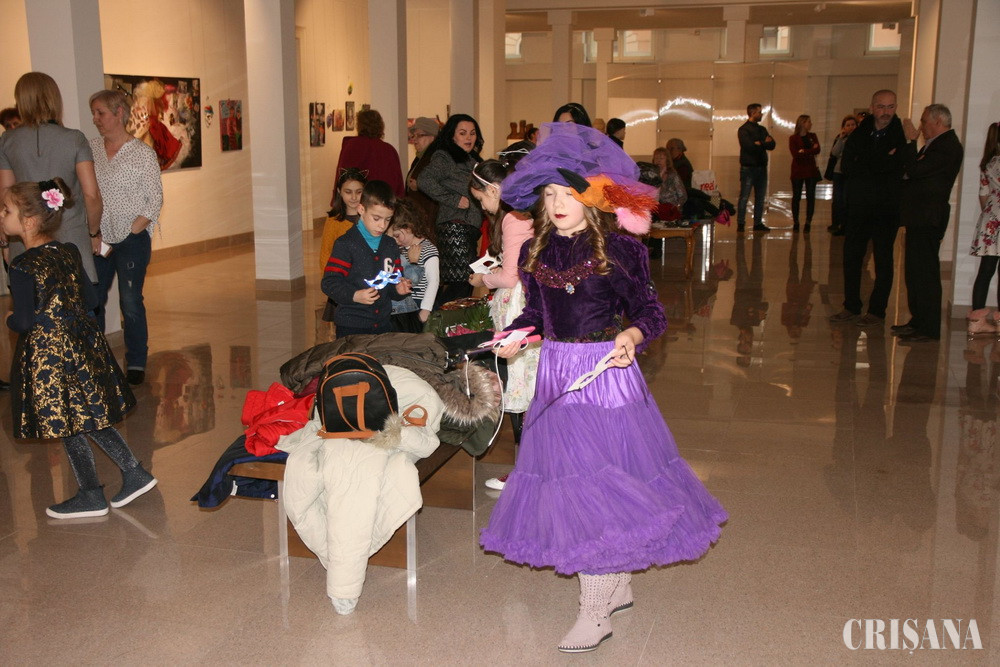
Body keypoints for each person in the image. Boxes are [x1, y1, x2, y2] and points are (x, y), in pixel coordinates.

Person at [479, 122, 727, 654]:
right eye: (549, 194)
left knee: (602, 488)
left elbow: (651, 313)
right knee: (578, 484)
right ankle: (616, 585)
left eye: (568, 193)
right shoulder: (536, 250)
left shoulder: (621, 250)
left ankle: (595, 611)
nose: (557, 203)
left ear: (591, 196)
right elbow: (536, 313)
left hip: (606, 379)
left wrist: (631, 337)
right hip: (556, 377)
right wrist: (517, 336)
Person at [2, 178, 155, 518]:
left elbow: (24, 322)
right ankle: (112, 482)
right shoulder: (69, 251)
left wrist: (9, 318)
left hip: (49, 356)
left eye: (6, 210)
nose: (1, 215)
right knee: (80, 417)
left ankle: (113, 482)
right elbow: (90, 299)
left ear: (29, 221)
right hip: (81, 346)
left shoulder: (22, 265)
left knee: (69, 419)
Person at [467, 147, 538, 491]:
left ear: (493, 190)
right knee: (530, 388)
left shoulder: (512, 218)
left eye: (481, 198)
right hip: (529, 300)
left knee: (522, 387)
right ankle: (530, 466)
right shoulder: (522, 214)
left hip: (519, 306)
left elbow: (510, 277)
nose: (482, 206)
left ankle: (525, 471)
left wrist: (483, 278)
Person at [89, 89, 164, 386]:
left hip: (132, 240)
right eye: (94, 113)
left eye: (100, 113)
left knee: (130, 300)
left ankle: (136, 361)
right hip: (99, 238)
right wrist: (92, 230)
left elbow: (154, 199)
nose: (95, 119)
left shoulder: (142, 153)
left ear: (119, 112)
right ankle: (95, 359)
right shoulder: (92, 149)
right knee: (94, 299)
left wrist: (134, 229)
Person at [0, 72, 103, 284]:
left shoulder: (7, 140)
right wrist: (93, 233)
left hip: (24, 241)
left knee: (29, 301)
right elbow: (91, 194)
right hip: (71, 240)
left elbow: (5, 193)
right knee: (76, 301)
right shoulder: (74, 139)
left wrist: (5, 241)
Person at [830, 89, 907, 327]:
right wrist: (883, 159)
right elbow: (848, 166)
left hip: (886, 208)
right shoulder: (859, 134)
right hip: (859, 206)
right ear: (872, 108)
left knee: (883, 259)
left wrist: (868, 162)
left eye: (891, 106)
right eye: (881, 107)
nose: (886, 112)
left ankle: (877, 310)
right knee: (852, 257)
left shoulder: (900, 135)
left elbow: (898, 167)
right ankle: (851, 306)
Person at [892, 104, 964, 342]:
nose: (921, 126)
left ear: (938, 122)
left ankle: (929, 328)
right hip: (918, 215)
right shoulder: (935, 144)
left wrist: (911, 141)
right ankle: (918, 320)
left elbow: (914, 170)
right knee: (914, 272)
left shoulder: (948, 146)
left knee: (926, 274)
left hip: (928, 216)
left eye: (924, 121)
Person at [321, 180, 412, 338]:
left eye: (387, 219)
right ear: (361, 209)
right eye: (376, 218)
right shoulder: (346, 244)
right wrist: (355, 295)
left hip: (383, 324)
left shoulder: (390, 245)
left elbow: (393, 281)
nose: (382, 225)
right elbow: (329, 283)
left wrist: (399, 290)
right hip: (351, 326)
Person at [417, 113, 484, 306]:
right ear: (452, 136)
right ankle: (434, 318)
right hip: (454, 228)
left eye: (472, 133)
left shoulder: (472, 159)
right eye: (462, 133)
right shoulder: (445, 157)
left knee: (464, 285)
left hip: (468, 229)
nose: (468, 137)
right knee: (461, 284)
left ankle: (438, 318)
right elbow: (424, 180)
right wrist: (453, 200)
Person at [320, 168, 367, 322]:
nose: (353, 197)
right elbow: (325, 254)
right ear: (340, 192)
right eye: (348, 192)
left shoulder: (370, 218)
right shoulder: (334, 221)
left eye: (359, 192)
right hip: (342, 284)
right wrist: (332, 283)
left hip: (366, 283)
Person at [387, 197, 439, 333]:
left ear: (409, 227)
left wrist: (426, 310)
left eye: (397, 235)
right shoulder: (400, 249)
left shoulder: (428, 249)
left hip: (421, 304)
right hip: (405, 308)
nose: (395, 241)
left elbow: (434, 282)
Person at [968, 122, 1000, 335]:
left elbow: (983, 194)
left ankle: (976, 322)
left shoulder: (987, 163)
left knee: (985, 271)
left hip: (990, 219)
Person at [332, 109, 404, 201]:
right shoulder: (390, 150)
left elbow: (343, 177)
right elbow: (398, 185)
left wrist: (336, 201)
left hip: (358, 202)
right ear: (381, 126)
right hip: (383, 203)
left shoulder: (353, 146)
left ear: (359, 125)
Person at [736, 103, 776, 232]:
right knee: (744, 197)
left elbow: (772, 144)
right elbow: (749, 146)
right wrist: (764, 143)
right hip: (748, 168)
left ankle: (757, 223)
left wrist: (760, 143)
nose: (761, 114)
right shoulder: (743, 130)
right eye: (759, 112)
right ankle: (741, 223)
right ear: (753, 113)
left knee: (760, 197)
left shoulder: (762, 129)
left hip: (761, 167)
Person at [405, 117, 440, 226]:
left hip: (429, 220)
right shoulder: (420, 157)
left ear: (432, 137)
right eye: (413, 136)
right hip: (418, 218)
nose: (415, 140)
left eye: (419, 135)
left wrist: (420, 185)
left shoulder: (435, 158)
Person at [789, 114, 821, 232]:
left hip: (811, 170)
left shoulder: (812, 136)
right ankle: (796, 221)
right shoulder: (793, 138)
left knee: (810, 196)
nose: (810, 124)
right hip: (798, 170)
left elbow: (817, 149)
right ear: (802, 123)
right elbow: (796, 154)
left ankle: (808, 222)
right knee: (796, 196)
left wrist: (804, 151)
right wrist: (810, 151)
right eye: (808, 122)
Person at [826, 115, 858, 236]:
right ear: (844, 127)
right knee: (837, 199)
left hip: (852, 172)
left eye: (853, 125)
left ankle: (846, 225)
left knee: (847, 199)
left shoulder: (860, 139)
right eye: (848, 125)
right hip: (839, 172)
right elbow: (834, 153)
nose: (851, 127)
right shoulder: (841, 138)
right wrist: (840, 139)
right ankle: (837, 223)